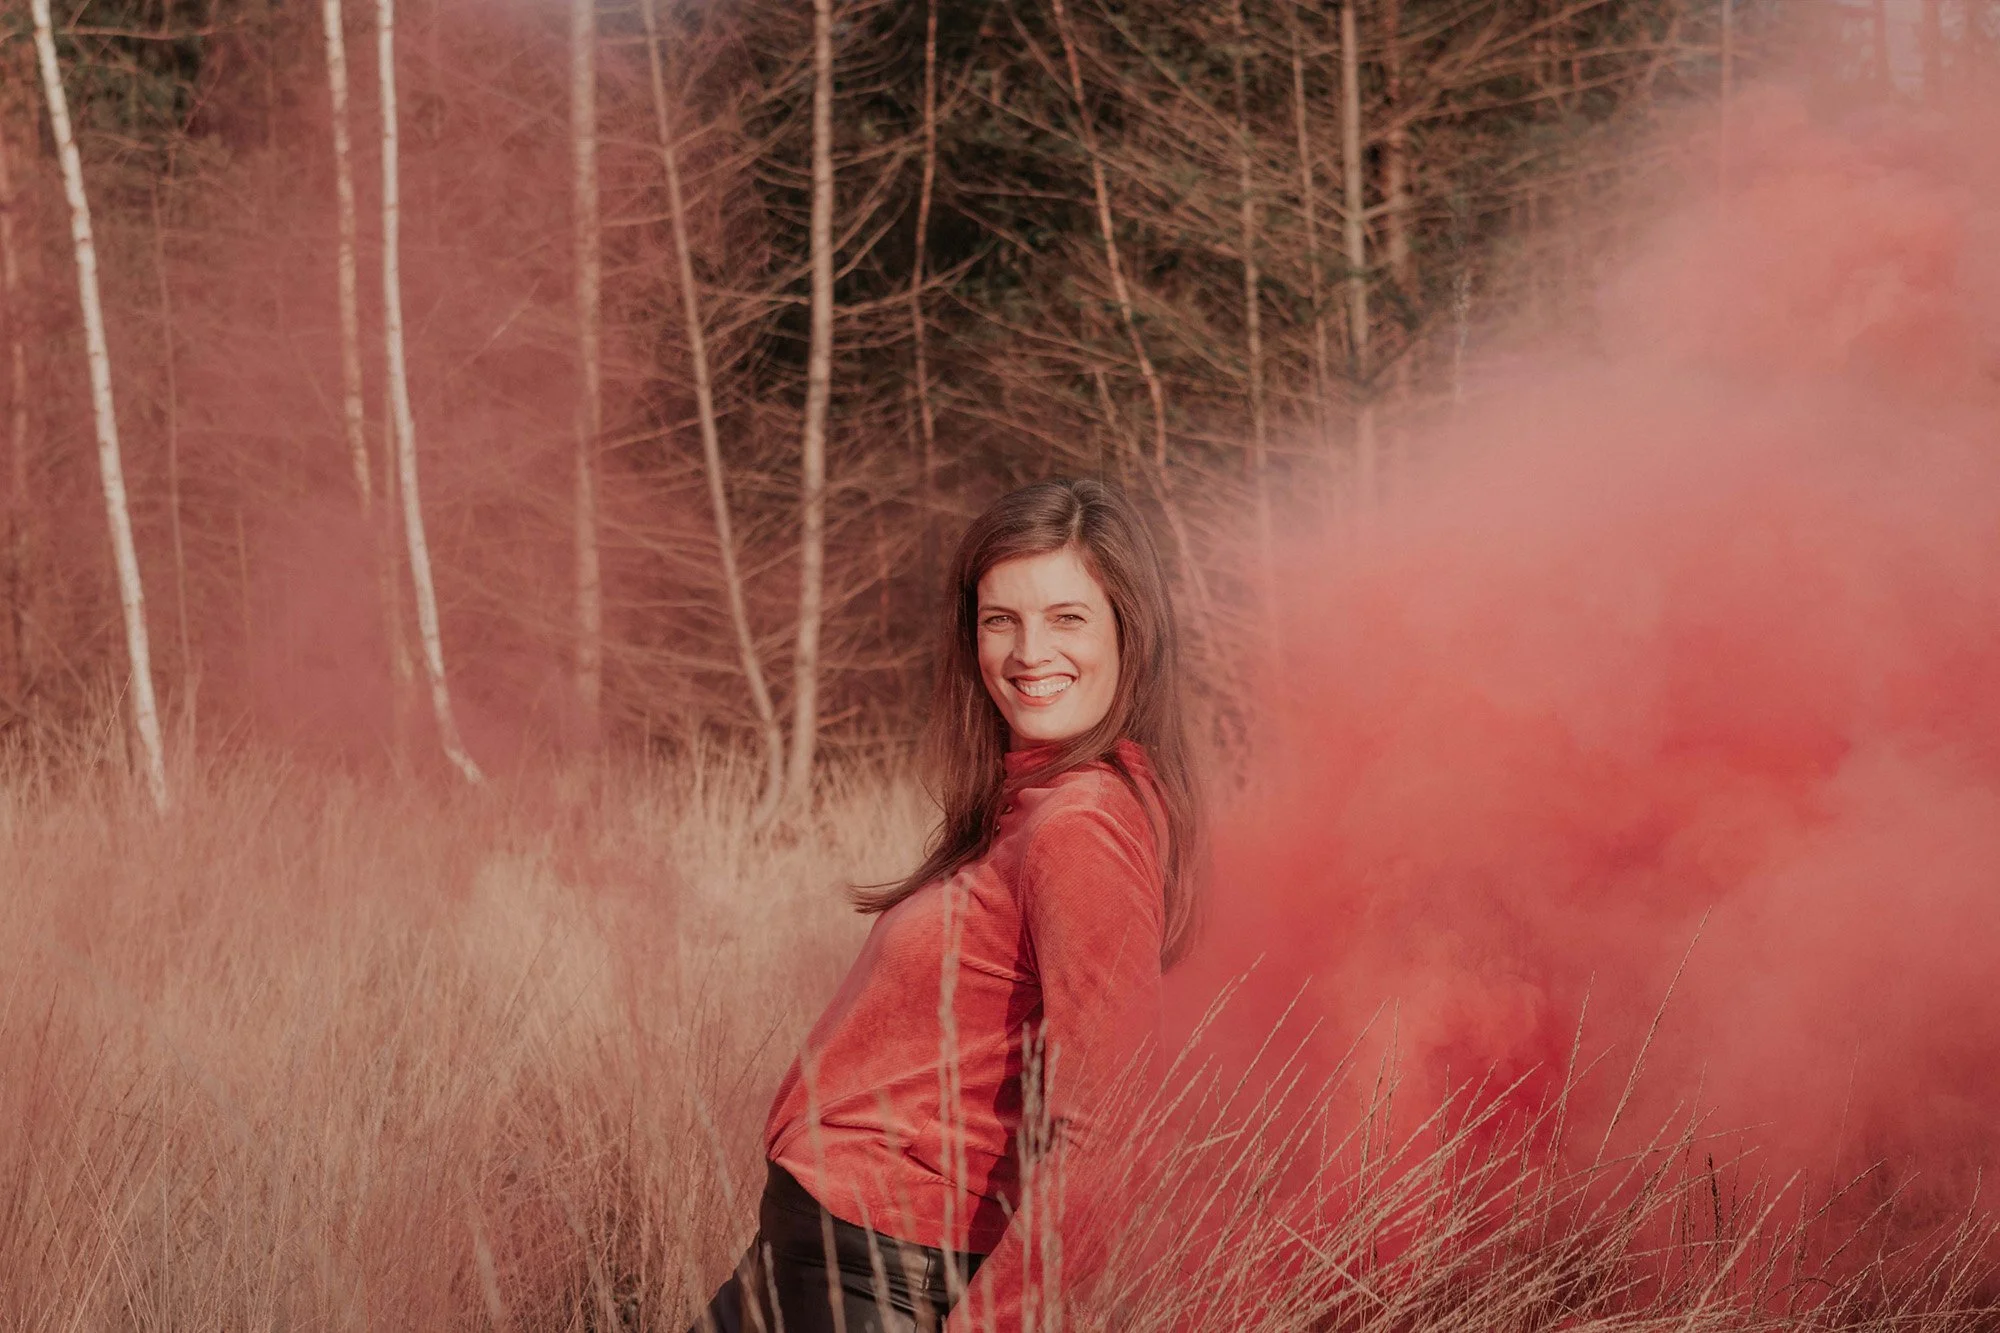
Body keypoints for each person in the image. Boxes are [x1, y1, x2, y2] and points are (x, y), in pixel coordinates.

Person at [690, 478, 1203, 1333]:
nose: (1028, 651)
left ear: (1130, 631)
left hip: (879, 1272)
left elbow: (1109, 1130)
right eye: (1001, 619)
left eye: (1067, 617)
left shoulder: (1084, 824)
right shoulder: (1030, 802)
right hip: (815, 1252)